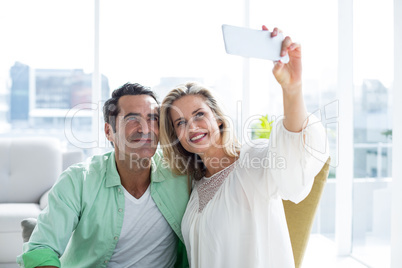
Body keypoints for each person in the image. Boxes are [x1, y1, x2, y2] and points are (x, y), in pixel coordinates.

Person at [159, 26, 330, 268]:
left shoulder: (252, 162)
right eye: (180, 122)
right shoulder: (196, 183)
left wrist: (291, 90)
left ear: (218, 118)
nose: (192, 127)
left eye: (199, 114)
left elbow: (292, 158)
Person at [17, 83, 189, 268]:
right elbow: (41, 249)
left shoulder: (181, 172)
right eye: (132, 119)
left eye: (153, 118)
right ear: (109, 132)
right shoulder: (78, 180)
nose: (146, 129)